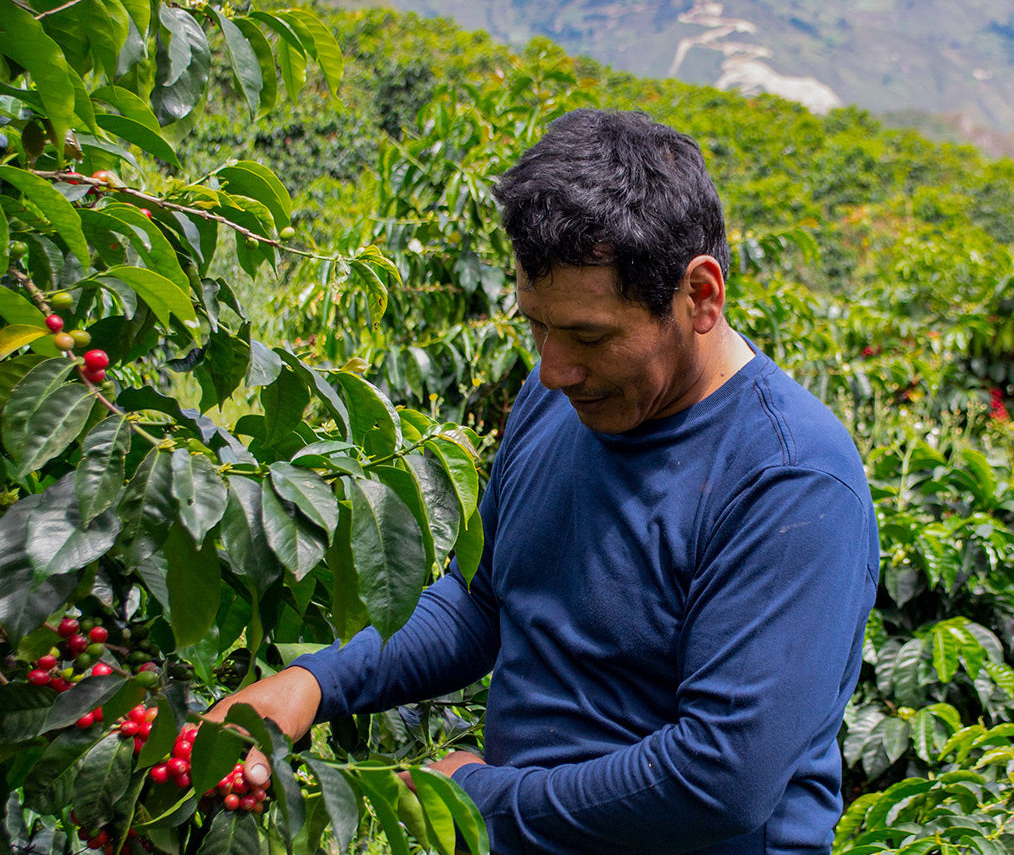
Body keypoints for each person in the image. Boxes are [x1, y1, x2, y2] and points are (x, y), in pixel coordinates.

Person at [210, 109, 879, 853]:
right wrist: (313, 683)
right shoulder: (564, 396)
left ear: (700, 296)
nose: (554, 369)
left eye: (590, 336)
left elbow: (720, 779)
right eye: (537, 326)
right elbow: (481, 600)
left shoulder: (792, 483)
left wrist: (478, 796)